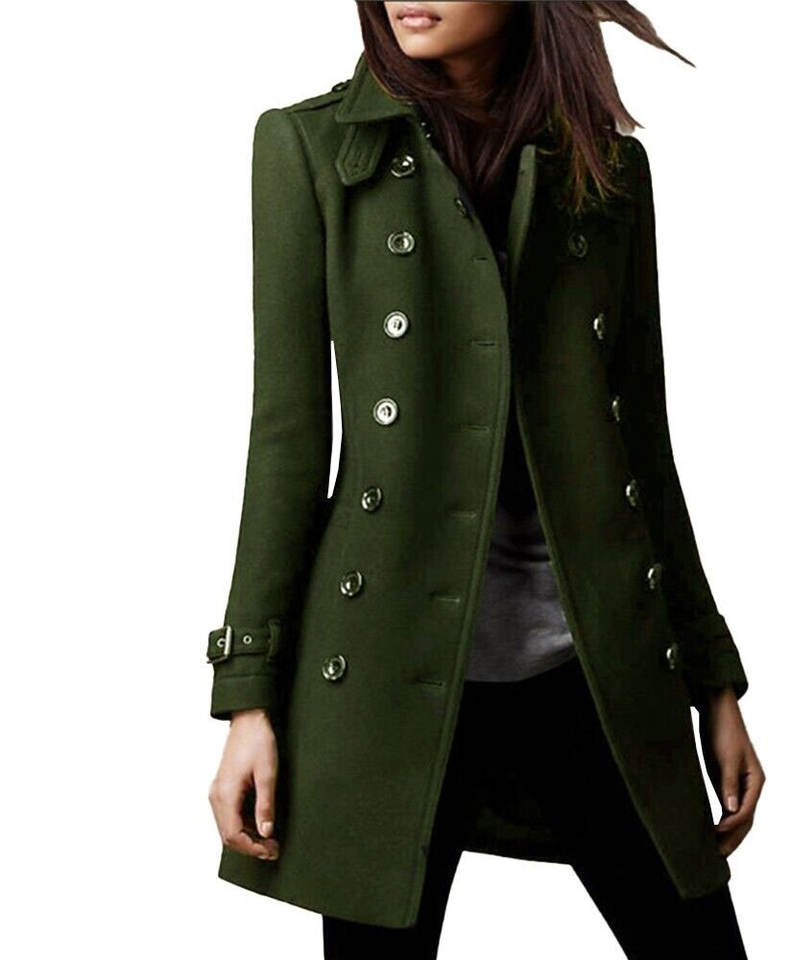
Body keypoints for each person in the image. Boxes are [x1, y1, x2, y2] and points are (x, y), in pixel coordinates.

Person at [207, 4, 765, 957]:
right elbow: (288, 440)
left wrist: (714, 679)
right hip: (385, 666)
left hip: (591, 663)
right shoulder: (308, 148)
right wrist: (249, 697)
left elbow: (643, 443)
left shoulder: (608, 171)